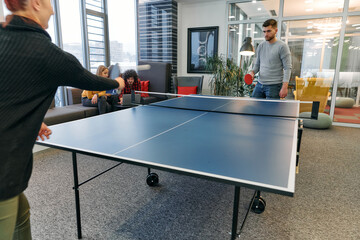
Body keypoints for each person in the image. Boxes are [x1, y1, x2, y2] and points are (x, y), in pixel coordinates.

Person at [0, 1, 125, 239]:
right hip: (3, 170)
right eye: (49, 2)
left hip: (8, 170)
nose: (53, 9)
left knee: (21, 212)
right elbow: (90, 80)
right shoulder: (47, 53)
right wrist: (116, 84)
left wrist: (30, 120)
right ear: (36, 3)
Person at [249, 19, 292, 99]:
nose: (266, 34)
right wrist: (252, 72)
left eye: (268, 31)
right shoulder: (261, 46)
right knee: (253, 109)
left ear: (276, 30)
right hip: (259, 84)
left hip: (274, 86)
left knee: (271, 111)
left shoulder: (282, 46)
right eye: (264, 31)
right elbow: (257, 64)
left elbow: (287, 68)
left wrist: (285, 87)